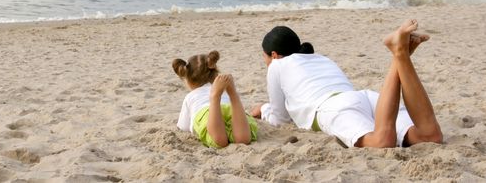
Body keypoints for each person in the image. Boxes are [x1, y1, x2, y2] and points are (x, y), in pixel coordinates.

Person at [251, 20, 443, 148]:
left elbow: (280, 119)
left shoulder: (276, 66)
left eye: (265, 56)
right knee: (429, 137)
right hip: (364, 97)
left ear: (274, 55)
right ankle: (400, 56)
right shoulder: (320, 58)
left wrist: (263, 109)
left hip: (332, 108)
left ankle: (400, 54)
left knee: (382, 142)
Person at [173, 51, 258, 148]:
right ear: (215, 74)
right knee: (242, 139)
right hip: (230, 109)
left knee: (218, 141)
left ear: (187, 79)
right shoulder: (224, 91)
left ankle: (215, 98)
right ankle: (234, 95)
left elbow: (183, 127)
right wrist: (232, 94)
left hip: (206, 114)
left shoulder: (190, 96)